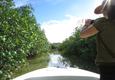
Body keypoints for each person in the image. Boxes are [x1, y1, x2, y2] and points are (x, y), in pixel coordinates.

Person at [80, 0, 115, 80]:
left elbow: (82, 35)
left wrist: (86, 25)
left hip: (108, 66)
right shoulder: (101, 22)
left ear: (106, 10)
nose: (102, 12)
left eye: (103, 10)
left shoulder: (102, 22)